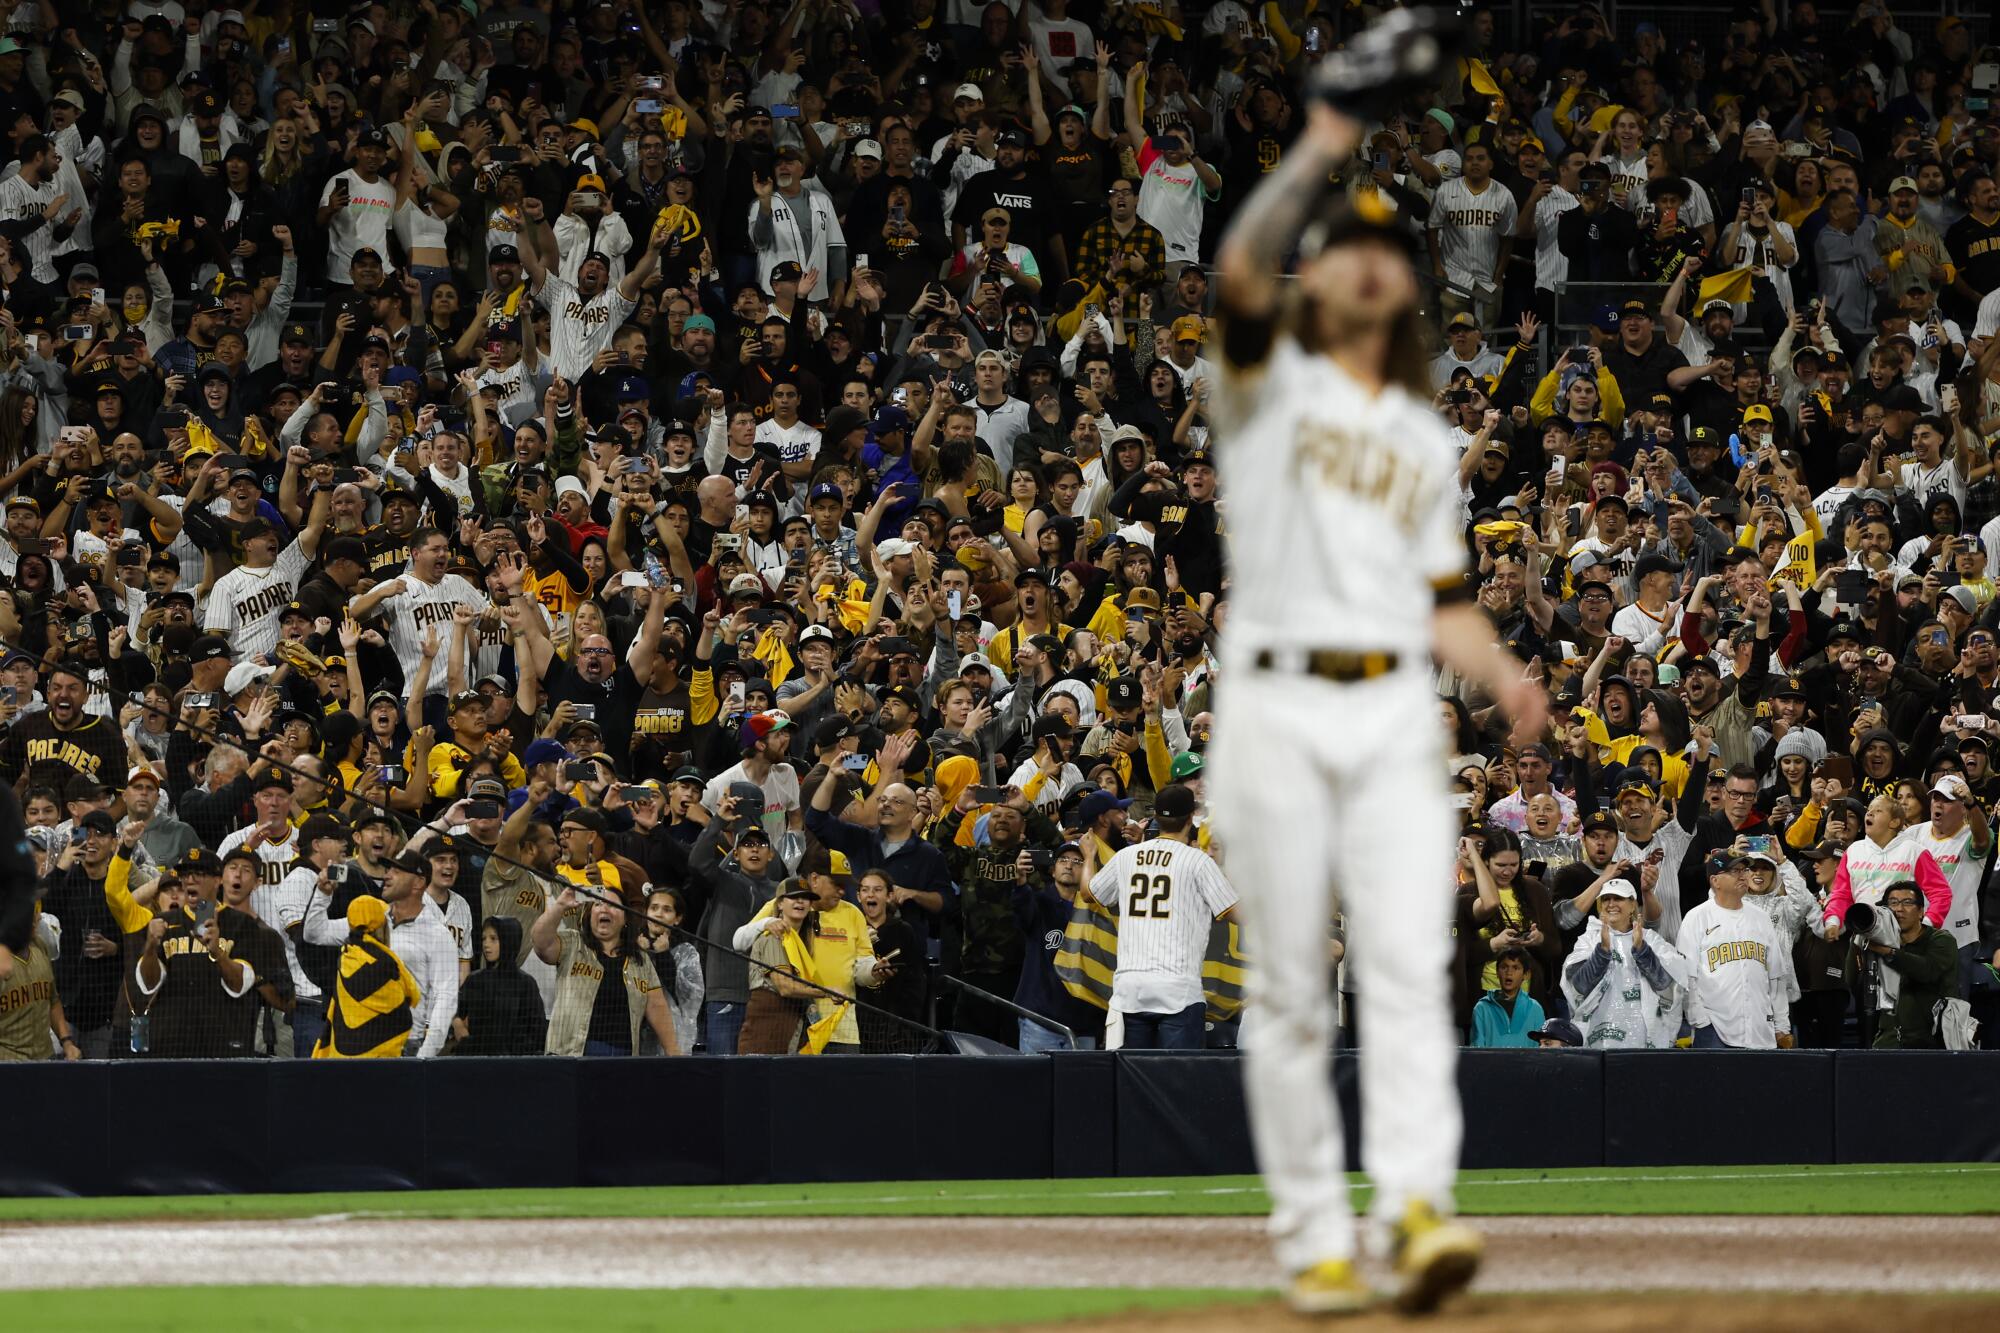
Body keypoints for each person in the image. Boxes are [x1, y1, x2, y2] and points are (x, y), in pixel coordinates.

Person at [1207, 47, 1544, 1312]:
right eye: (1339, 244)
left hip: (1397, 700)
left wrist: (1505, 677)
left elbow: (1445, 604)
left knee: (1407, 963)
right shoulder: (1261, 384)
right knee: (1293, 986)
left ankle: (1416, 1206)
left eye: (1379, 247)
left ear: (1400, 283)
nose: (1361, 260)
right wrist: (1319, 140)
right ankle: (1311, 1236)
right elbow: (1239, 268)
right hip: (1274, 699)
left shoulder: (1423, 435)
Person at [1081, 783, 1236, 1050]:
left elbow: (1087, 893)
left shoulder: (1126, 856)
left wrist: (1088, 856)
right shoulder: (1197, 861)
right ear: (1190, 817)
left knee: (1137, 1081)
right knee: (1174, 1083)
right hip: (1178, 988)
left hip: (1131, 989)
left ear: (1157, 818)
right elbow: (1235, 912)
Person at [1679, 849, 1794, 1050]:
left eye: (1744, 869)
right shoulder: (1697, 917)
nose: (1743, 875)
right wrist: (1700, 1020)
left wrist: (1781, 1025)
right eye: (1734, 871)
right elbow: (1687, 977)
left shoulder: (1761, 918)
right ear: (1715, 881)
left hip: (1760, 1029)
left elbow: (1776, 977)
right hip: (1714, 1031)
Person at [1558, 876, 1688, 1049]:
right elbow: (1577, 987)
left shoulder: (1652, 940)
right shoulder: (1588, 940)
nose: (1611, 904)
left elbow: (1670, 989)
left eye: (1618, 898)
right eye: (1605, 899)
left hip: (1644, 1041)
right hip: (1597, 1039)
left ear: (1633, 905)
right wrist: (1602, 952)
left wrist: (1642, 951)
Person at [313, 896, 420, 1059]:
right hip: (381, 1061)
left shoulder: (346, 956)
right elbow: (403, 1007)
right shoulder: (384, 963)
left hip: (344, 1059)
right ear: (379, 924)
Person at [1866, 881, 1961, 1050]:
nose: (1899, 909)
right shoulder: (1881, 944)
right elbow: (1853, 981)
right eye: (1893, 903)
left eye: (1907, 902)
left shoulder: (1942, 940)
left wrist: (1888, 952)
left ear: (1921, 911)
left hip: (1933, 1041)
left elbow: (1927, 971)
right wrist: (1858, 941)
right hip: (1889, 1041)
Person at [451, 916, 546, 1056]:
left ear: (509, 941)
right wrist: (458, 1026)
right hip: (476, 1063)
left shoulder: (525, 983)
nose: (486, 944)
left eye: (493, 939)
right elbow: (453, 1008)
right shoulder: (475, 980)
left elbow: (537, 1032)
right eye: (484, 939)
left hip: (514, 1066)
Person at [1468, 947, 1543, 1048]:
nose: (1509, 972)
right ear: (1497, 972)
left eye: (1515, 968)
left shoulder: (1535, 1009)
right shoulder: (1482, 1008)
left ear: (1526, 975)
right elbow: (1476, 1051)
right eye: (1504, 967)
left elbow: (1540, 1051)